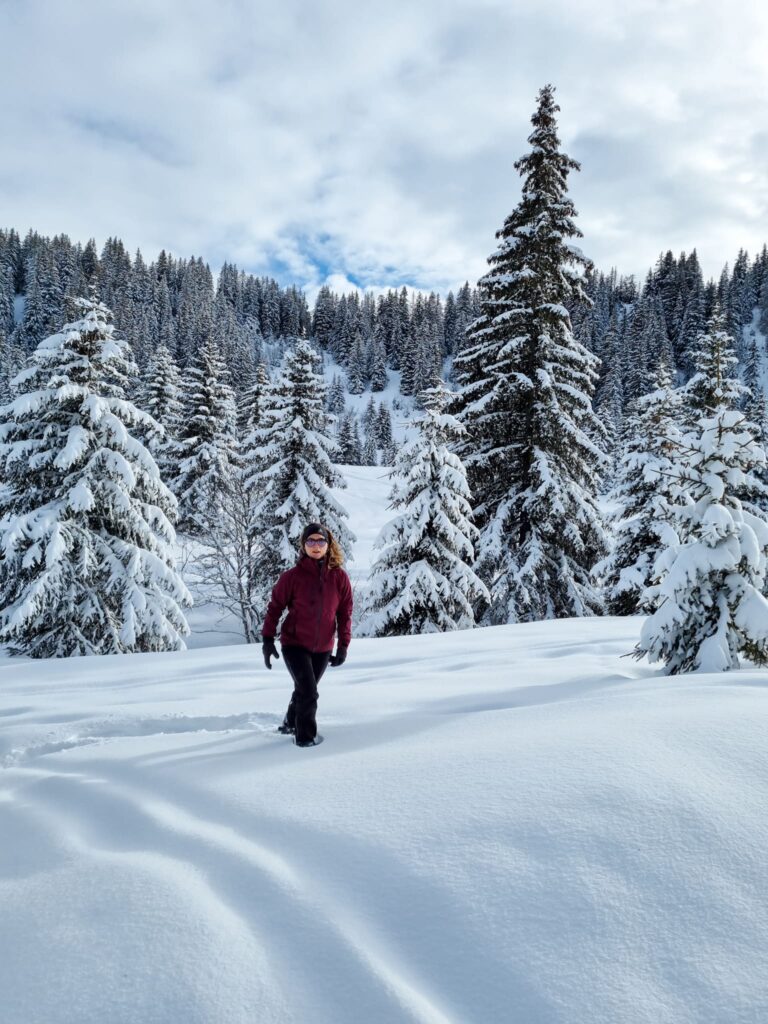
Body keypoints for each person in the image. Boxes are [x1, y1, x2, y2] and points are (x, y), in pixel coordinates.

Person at [261, 522, 353, 747]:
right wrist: (267, 640)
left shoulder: (339, 578)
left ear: (328, 545)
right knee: (309, 693)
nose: (316, 546)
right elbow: (275, 607)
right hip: (294, 644)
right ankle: (305, 739)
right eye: (310, 541)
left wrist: (342, 647)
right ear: (303, 545)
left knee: (304, 689)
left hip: (323, 647)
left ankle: (290, 723)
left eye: (320, 541)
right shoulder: (291, 577)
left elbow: (345, 613)